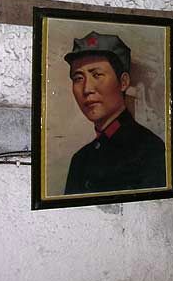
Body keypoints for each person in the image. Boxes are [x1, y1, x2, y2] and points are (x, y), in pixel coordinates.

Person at [63, 31, 166, 195]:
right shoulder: (80, 159)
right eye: (78, 78)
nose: (87, 89)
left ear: (123, 82)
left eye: (97, 75)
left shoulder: (149, 149)